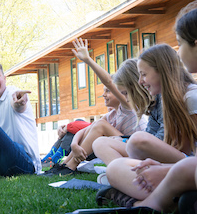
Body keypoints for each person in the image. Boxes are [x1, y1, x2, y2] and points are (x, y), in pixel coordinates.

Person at [95, 2, 197, 213]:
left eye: (180, 43)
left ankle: (150, 201)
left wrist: (166, 169)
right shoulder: (171, 100)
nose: (178, 51)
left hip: (186, 169)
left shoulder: (191, 96)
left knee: (139, 143)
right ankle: (167, 196)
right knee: (115, 167)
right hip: (183, 169)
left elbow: (185, 156)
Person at [43, 39, 149, 176]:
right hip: (126, 147)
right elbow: (85, 130)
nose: (104, 95)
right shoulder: (112, 115)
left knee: (100, 125)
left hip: (139, 150)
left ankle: (70, 166)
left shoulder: (129, 106)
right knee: (98, 124)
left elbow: (109, 81)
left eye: (116, 91)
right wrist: (74, 145)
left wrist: (88, 60)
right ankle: (65, 164)